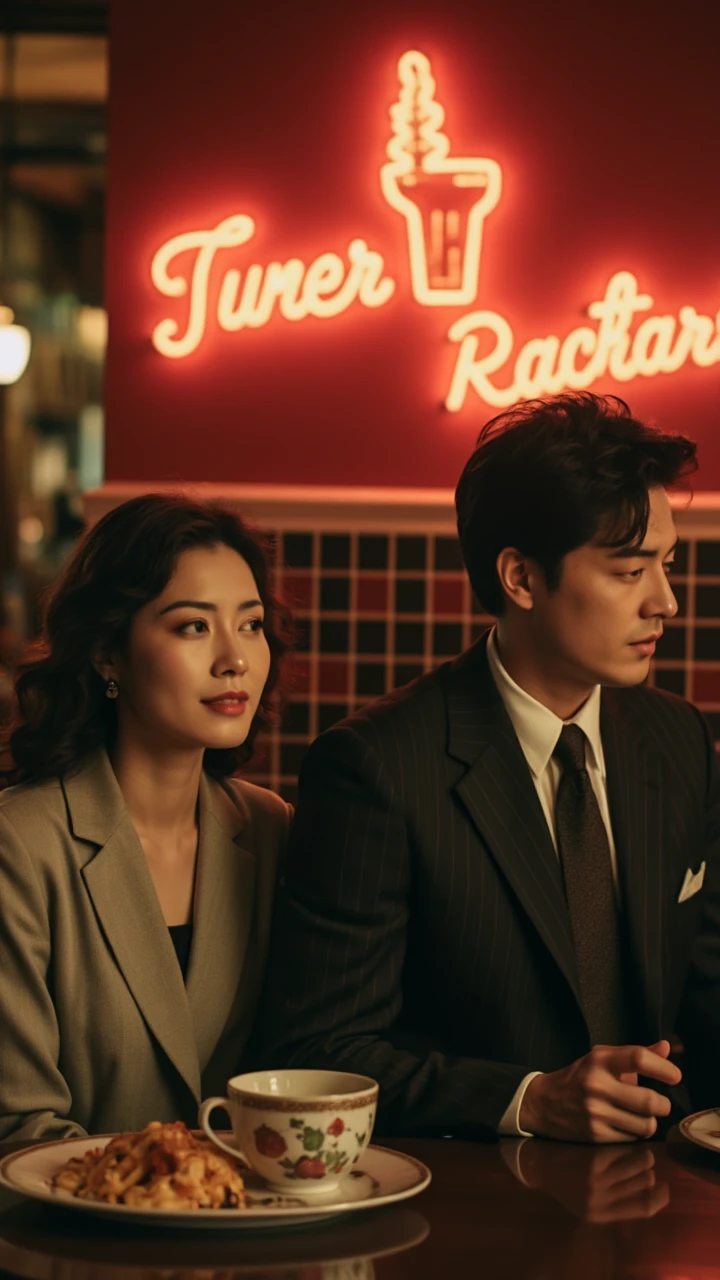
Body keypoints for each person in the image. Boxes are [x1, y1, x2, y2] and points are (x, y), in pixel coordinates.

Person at [258, 391, 720, 1143]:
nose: (665, 601)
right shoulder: (376, 767)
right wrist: (530, 1099)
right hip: (473, 1210)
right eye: (630, 571)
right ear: (521, 578)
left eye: (667, 565)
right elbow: (317, 1052)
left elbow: (709, 988)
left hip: (666, 1198)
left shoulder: (678, 741)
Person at [0, 494, 292, 1140]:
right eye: (194, 626)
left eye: (250, 625)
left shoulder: (272, 831)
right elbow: (16, 1126)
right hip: (69, 1234)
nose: (234, 658)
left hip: (251, 1228)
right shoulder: (20, 843)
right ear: (108, 654)